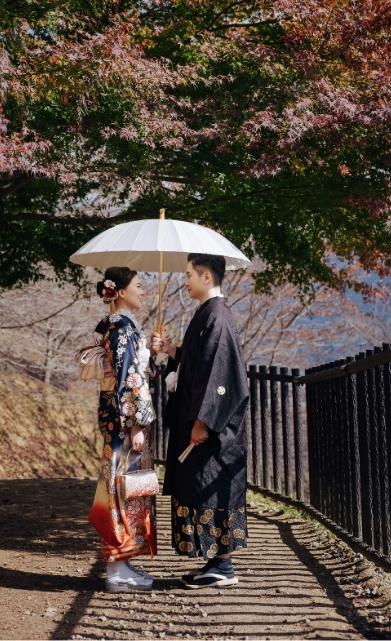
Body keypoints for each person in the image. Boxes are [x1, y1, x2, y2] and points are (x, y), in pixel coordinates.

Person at [151, 253, 250, 589]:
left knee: (212, 487)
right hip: (199, 421)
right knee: (198, 487)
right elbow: (198, 363)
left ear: (207, 277)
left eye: (191, 274)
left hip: (211, 428)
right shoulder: (208, 314)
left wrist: (204, 421)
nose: (186, 279)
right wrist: (172, 350)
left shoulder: (218, 316)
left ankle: (223, 565)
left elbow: (219, 375)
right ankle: (216, 562)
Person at [86, 266, 158, 592]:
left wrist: (150, 355)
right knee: (121, 489)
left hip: (116, 422)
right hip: (123, 424)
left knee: (122, 488)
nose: (143, 291)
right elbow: (129, 381)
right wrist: (136, 425)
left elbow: (130, 372)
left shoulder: (116, 327)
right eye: (140, 285)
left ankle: (122, 563)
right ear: (122, 291)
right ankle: (117, 569)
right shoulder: (122, 329)